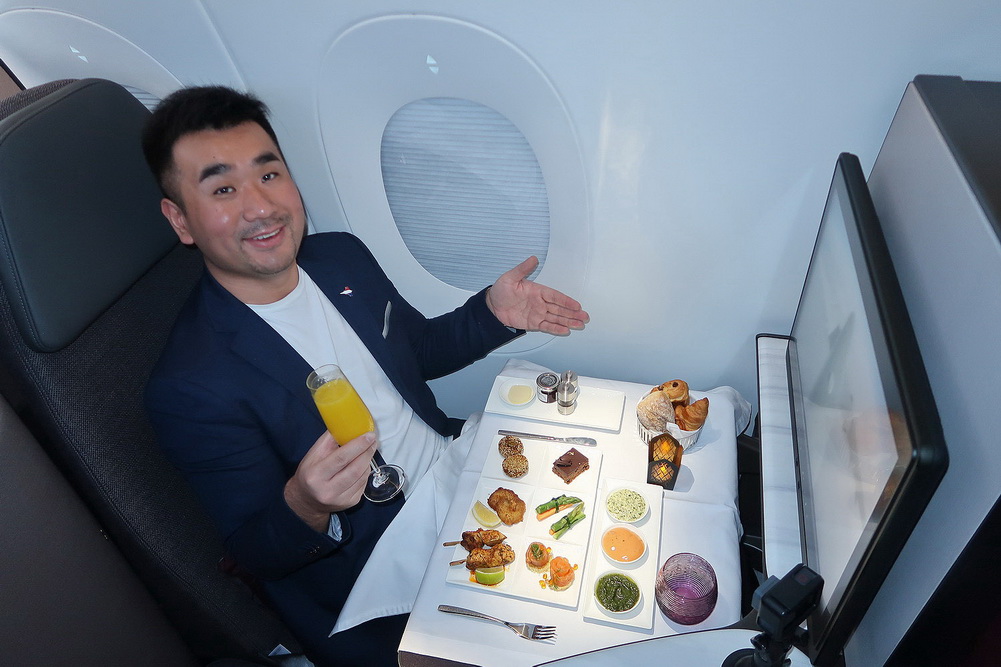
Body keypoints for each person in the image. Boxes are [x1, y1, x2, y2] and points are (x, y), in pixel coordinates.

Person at [140, 86, 588, 666]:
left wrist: (492, 314)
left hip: (456, 468)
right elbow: (257, 553)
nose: (261, 206)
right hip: (373, 567)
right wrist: (305, 502)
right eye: (223, 189)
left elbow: (415, 354)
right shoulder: (191, 385)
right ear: (179, 219)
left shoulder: (340, 258)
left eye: (269, 175)